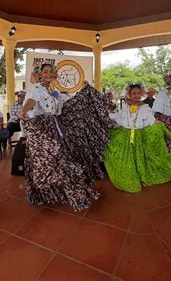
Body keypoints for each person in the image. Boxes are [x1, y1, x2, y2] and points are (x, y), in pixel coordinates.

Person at [17, 63, 111, 211]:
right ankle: (61, 191)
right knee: (51, 162)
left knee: (61, 159)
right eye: (45, 71)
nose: (48, 74)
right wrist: (23, 110)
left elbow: (69, 100)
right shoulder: (36, 89)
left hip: (56, 128)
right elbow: (31, 101)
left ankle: (62, 192)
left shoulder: (54, 92)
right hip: (41, 130)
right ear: (39, 74)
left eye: (51, 71)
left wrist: (83, 90)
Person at [104, 84, 171, 193]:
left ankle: (141, 176)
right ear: (129, 94)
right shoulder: (125, 106)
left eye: (138, 93)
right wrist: (109, 119)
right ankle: (131, 176)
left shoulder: (145, 107)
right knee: (129, 157)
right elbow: (119, 118)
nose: (136, 96)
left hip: (139, 136)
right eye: (134, 93)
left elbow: (150, 119)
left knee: (139, 157)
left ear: (142, 94)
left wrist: (156, 123)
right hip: (126, 135)